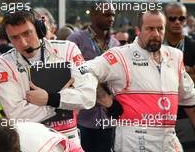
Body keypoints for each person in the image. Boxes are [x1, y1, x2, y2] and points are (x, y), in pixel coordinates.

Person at [82, 10, 195, 151]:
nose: (156, 34)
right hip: (134, 141)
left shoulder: (175, 56)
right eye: (149, 29)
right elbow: (84, 70)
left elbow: (190, 99)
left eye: (160, 28)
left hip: (169, 140)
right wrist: (107, 101)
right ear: (138, 31)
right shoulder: (120, 55)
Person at [0, 10, 98, 147]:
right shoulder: (3, 64)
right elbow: (17, 116)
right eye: (14, 38)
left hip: (69, 142)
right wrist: (63, 101)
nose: (23, 43)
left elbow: (88, 97)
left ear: (39, 29)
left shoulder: (68, 50)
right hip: (32, 144)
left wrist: (50, 98)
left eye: (27, 33)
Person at [67, 0, 119, 152]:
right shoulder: (75, 40)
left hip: (109, 118)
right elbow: (70, 73)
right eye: (107, 14)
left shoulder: (115, 44)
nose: (111, 18)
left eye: (113, 14)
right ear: (94, 15)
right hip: (83, 117)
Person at [164, 2, 195, 150]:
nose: (177, 22)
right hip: (158, 114)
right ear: (164, 19)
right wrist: (187, 73)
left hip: (186, 115)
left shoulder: (192, 46)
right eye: (172, 18)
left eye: (181, 18)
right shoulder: (154, 44)